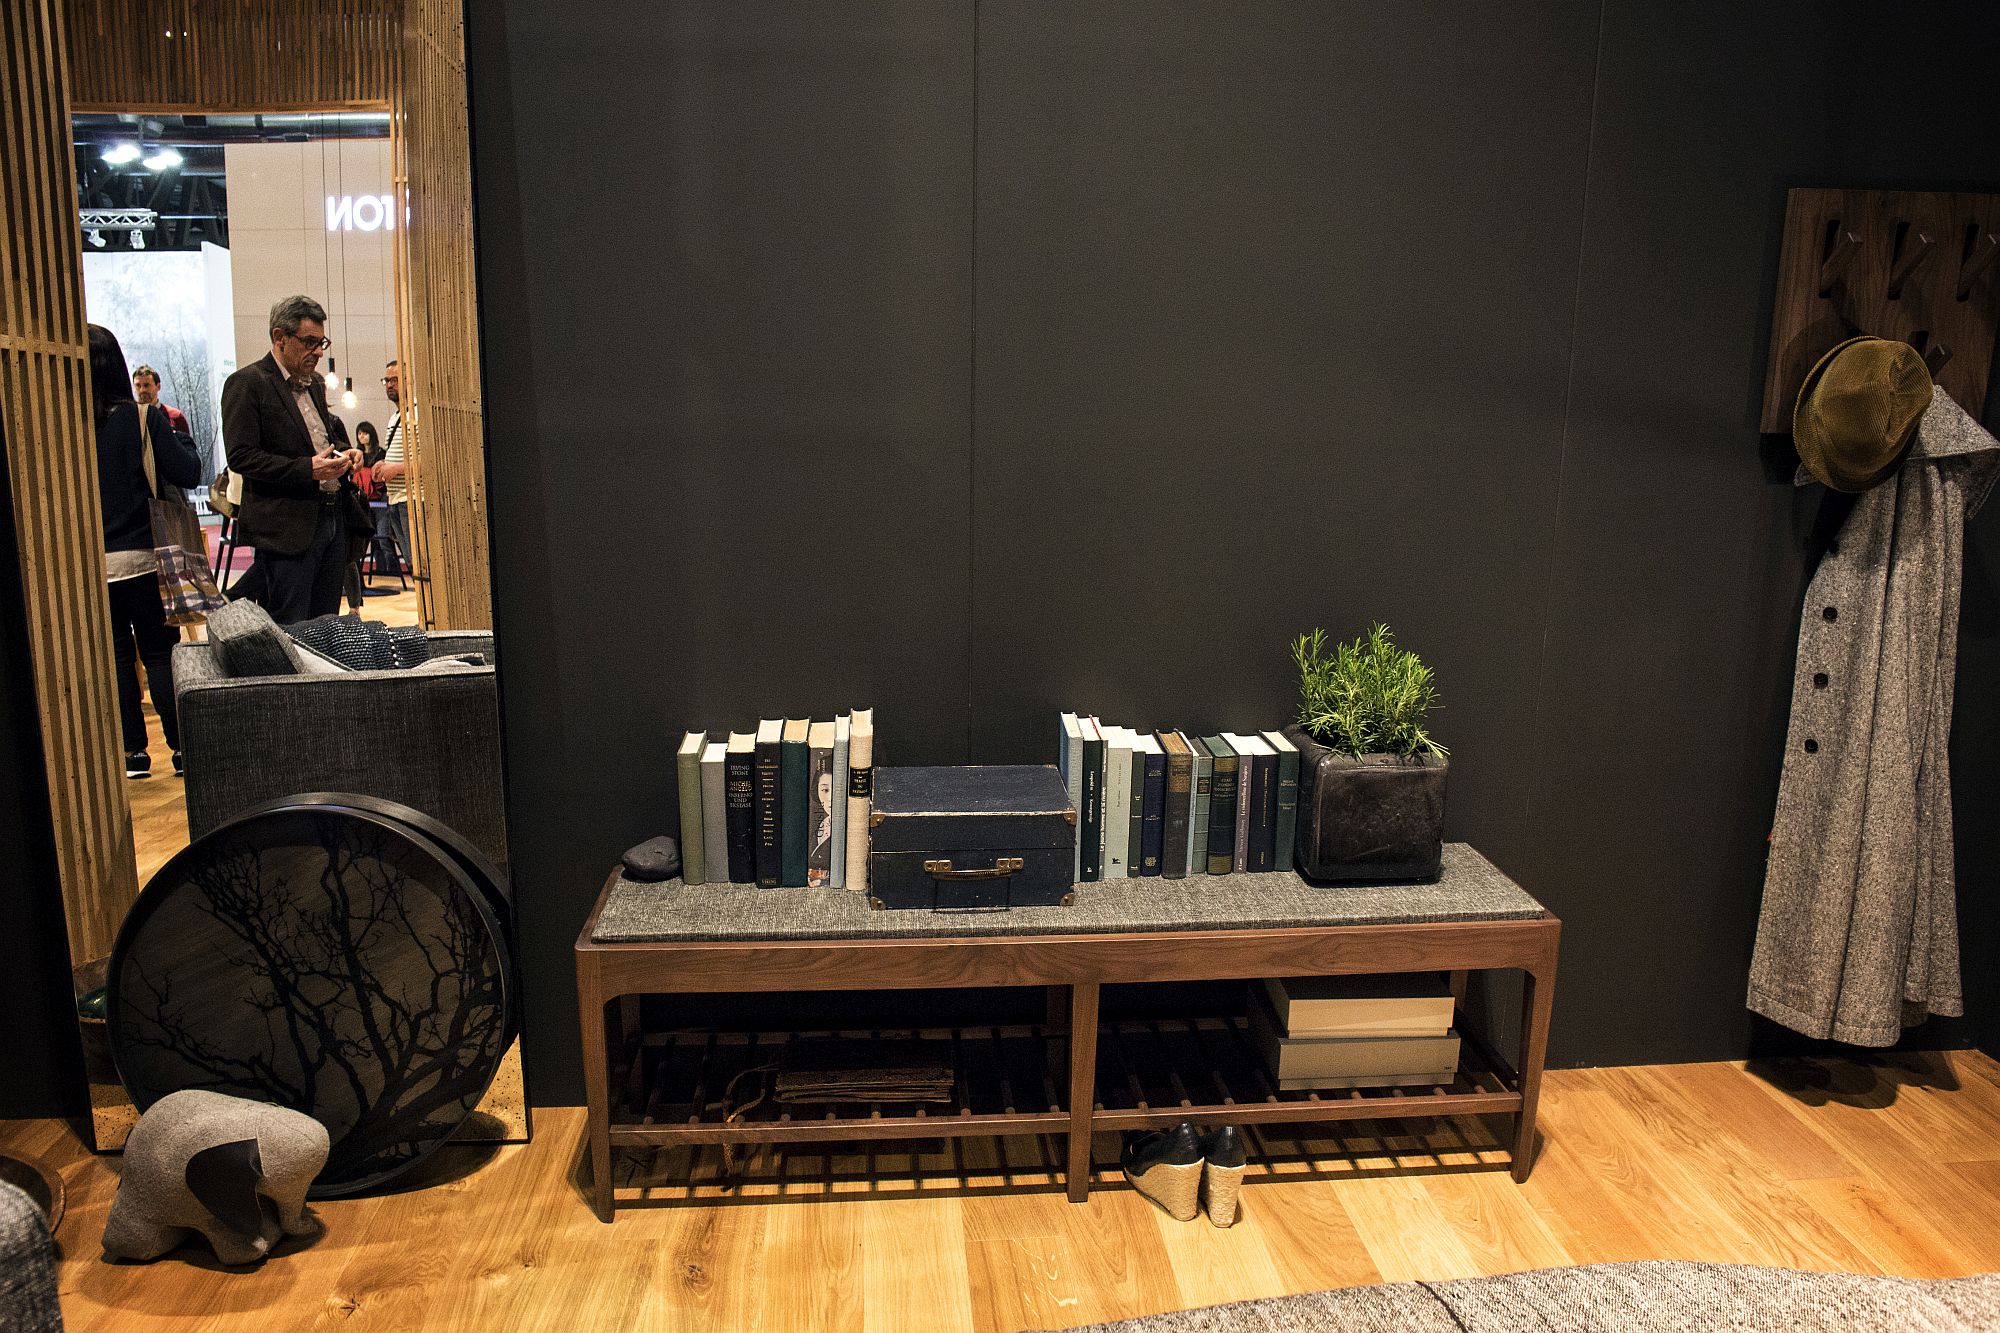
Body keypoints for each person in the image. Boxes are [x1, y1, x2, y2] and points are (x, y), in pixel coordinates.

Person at [91, 326, 201, 778]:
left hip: (91, 563)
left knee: (117, 656)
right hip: (143, 555)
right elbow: (187, 471)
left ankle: (133, 753)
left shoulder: (60, 423)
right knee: (159, 653)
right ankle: (181, 750)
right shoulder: (141, 419)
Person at [220, 295, 370, 623]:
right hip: (287, 526)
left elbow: (320, 439)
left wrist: (347, 452)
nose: (318, 351)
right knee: (291, 626)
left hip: (332, 517)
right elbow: (241, 457)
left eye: (321, 342)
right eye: (309, 342)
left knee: (326, 623)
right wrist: (307, 470)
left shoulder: (314, 384)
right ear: (279, 338)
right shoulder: (246, 384)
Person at [373, 360, 411, 576]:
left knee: (419, 563)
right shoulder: (394, 418)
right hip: (395, 498)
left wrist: (396, 469)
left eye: (394, 380)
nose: (389, 384)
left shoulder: (416, 413)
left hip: (411, 497)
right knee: (410, 561)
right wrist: (383, 464)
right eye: (386, 380)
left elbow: (431, 462)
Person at [131, 365, 190, 440]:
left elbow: (186, 448)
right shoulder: (129, 418)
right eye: (138, 386)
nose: (142, 390)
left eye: (146, 385)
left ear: (158, 386)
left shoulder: (176, 417)